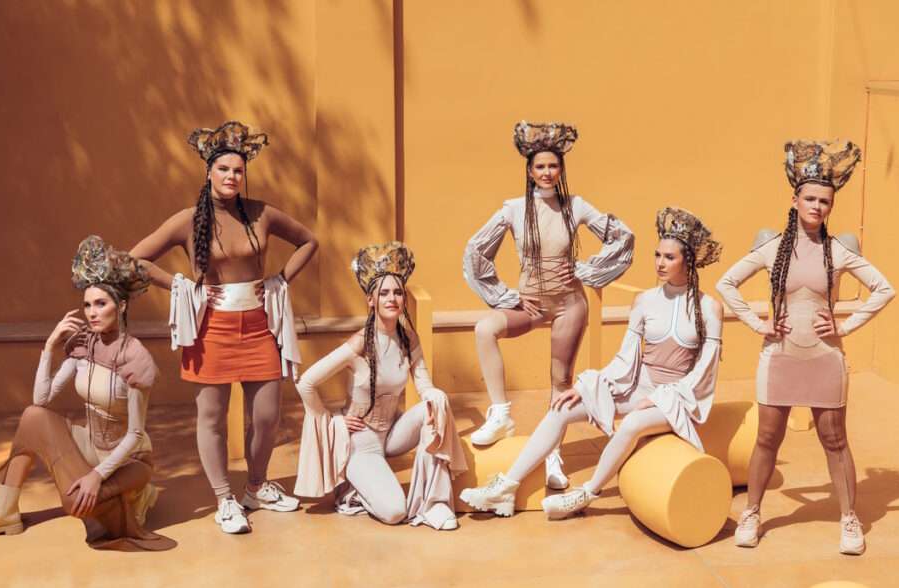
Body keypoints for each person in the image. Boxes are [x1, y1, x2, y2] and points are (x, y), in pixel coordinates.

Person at [461, 208, 723, 518]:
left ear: (688, 261)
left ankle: (586, 493)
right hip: (638, 389)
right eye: (657, 255)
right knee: (561, 407)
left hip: (677, 399)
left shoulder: (710, 308)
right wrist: (587, 386)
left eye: (669, 257)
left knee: (633, 423)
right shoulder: (644, 301)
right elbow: (625, 358)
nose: (659, 263)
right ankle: (507, 486)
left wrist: (657, 399)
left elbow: (705, 372)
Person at [130, 121, 318, 533]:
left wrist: (280, 280)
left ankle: (256, 487)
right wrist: (178, 284)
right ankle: (224, 499)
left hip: (260, 325)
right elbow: (135, 259)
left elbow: (309, 241)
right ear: (208, 172)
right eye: (224, 169)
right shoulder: (187, 220)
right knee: (212, 418)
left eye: (238, 170)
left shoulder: (261, 212)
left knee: (267, 416)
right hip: (211, 330)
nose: (232, 177)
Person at [717, 140, 895, 555]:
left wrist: (844, 326)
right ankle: (752, 513)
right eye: (810, 198)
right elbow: (726, 283)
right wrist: (758, 323)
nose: (817, 206)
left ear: (831, 207)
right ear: (795, 200)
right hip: (779, 356)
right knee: (767, 438)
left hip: (825, 358)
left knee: (835, 439)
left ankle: (849, 519)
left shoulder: (839, 250)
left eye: (824, 201)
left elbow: (885, 289)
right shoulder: (771, 246)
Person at [0, 236, 175, 551]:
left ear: (122, 305)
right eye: (87, 305)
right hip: (92, 446)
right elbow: (41, 400)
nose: (92, 313)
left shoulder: (135, 356)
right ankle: (5, 512)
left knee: (75, 503)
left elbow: (135, 434)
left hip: (131, 459)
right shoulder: (84, 345)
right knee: (33, 417)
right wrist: (49, 346)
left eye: (101, 304)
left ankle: (136, 496)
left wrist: (96, 476)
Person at [462, 120, 634, 489]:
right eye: (540, 166)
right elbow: (476, 251)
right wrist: (508, 296)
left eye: (553, 166)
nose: (546, 172)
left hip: (569, 304)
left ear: (561, 169)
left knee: (560, 383)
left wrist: (586, 269)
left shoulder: (575, 206)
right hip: (532, 304)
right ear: (529, 171)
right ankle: (501, 413)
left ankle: (553, 458)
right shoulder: (513, 209)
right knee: (485, 329)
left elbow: (622, 237)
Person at [294, 241, 466, 530]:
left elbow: (424, 385)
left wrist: (435, 397)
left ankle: (434, 504)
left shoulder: (409, 339)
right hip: (362, 442)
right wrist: (331, 420)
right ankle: (355, 488)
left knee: (436, 404)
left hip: (393, 433)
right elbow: (306, 383)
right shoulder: (359, 343)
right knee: (395, 511)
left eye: (397, 292)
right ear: (371, 300)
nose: (392, 298)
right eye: (384, 293)